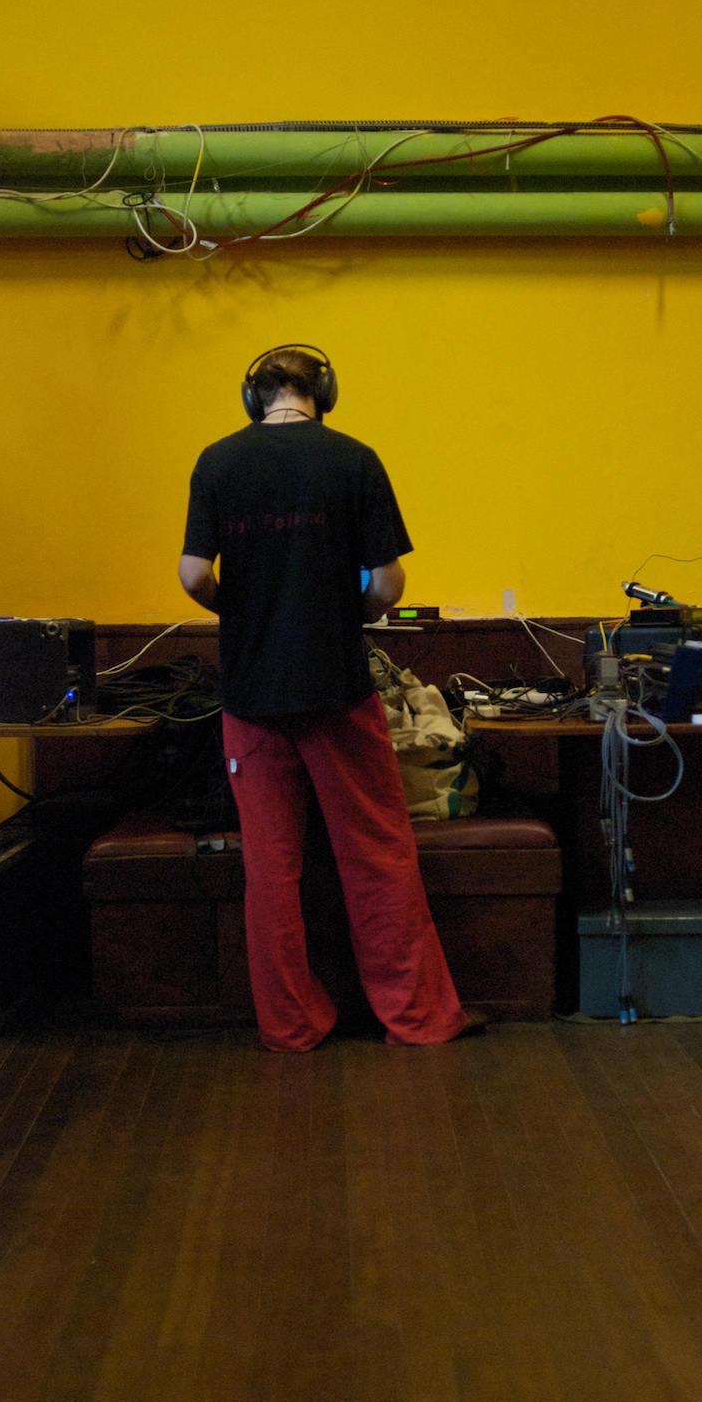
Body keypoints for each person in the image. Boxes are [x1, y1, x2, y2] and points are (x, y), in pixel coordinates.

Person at [178, 344, 480, 1051]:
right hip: (337, 688)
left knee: (271, 868)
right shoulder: (353, 459)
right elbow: (389, 583)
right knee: (377, 854)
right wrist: (356, 611)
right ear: (325, 392)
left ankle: (291, 1025)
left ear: (253, 396)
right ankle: (415, 1017)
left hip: (251, 695)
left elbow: (193, 576)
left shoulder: (216, 462)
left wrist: (240, 609)